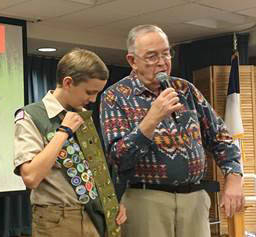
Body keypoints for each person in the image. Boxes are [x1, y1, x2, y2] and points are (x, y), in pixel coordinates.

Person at [99, 25, 244, 237]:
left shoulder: (185, 89)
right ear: (132, 60)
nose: (162, 62)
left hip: (194, 198)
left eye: (166, 53)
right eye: (151, 56)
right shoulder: (115, 97)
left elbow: (220, 136)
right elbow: (118, 157)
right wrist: (152, 118)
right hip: (145, 201)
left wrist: (233, 177)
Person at [13, 48, 126, 237]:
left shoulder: (82, 116)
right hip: (58, 218)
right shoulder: (31, 116)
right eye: (89, 92)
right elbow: (31, 177)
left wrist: (112, 203)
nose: (93, 99)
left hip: (95, 215)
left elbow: (96, 171)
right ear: (68, 82)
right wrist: (63, 132)